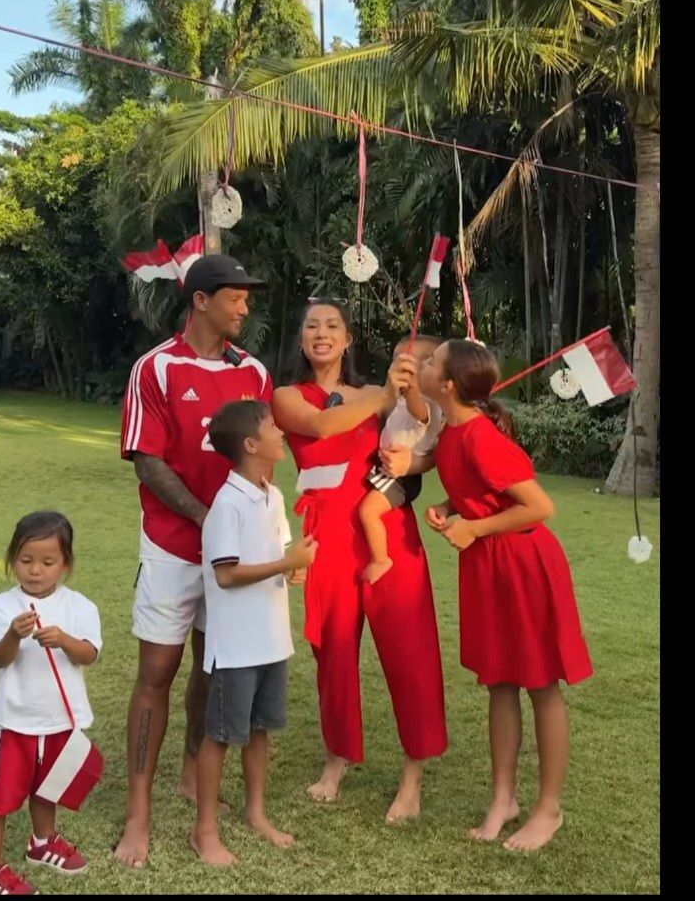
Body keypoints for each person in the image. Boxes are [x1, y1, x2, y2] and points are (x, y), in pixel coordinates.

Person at [114, 252, 270, 867]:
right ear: (201, 300)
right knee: (157, 672)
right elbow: (147, 459)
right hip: (174, 547)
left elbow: (266, 450)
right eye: (235, 295)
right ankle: (138, 815)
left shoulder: (253, 373)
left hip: (233, 556)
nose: (245, 305)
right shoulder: (154, 369)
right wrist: (208, 521)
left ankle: (188, 773)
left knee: (212, 670)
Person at [272, 299, 447, 823]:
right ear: (301, 338)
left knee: (409, 650)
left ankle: (412, 778)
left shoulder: (383, 395)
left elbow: (427, 441)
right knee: (334, 653)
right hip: (326, 532)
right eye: (311, 326)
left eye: (333, 326)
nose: (321, 334)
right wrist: (380, 395)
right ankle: (336, 758)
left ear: (348, 339)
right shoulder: (286, 395)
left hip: (386, 529)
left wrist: (410, 457)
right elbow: (323, 427)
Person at [420, 339, 592, 852]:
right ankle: (504, 800)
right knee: (498, 681)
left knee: (540, 684)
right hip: (490, 564)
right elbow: (485, 487)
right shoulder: (455, 431)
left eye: (432, 362)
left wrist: (475, 527)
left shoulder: (480, 437)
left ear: (448, 384)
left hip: (522, 564)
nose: (424, 364)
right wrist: (455, 506)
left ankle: (548, 808)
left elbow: (538, 506)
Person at [191, 400, 316, 866]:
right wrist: (288, 564)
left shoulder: (271, 495)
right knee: (220, 735)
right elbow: (226, 575)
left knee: (261, 730)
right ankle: (204, 831)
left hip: (270, 640)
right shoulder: (226, 505)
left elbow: (278, 551)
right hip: (236, 646)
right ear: (249, 445)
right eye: (270, 426)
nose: (279, 431)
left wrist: (290, 569)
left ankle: (255, 813)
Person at [0, 512, 101, 895]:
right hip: (15, 723)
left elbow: (89, 654)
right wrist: (14, 633)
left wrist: (64, 640)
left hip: (60, 720)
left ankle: (42, 843)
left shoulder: (80, 607)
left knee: (49, 788)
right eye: (26, 560)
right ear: (13, 559)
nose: (35, 571)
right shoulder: (0, 606)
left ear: (66, 564)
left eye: (48, 562)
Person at [357, 336, 444, 585]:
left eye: (410, 364)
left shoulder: (427, 405)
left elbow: (418, 411)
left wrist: (412, 386)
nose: (400, 367)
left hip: (401, 478)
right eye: (396, 360)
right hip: (388, 468)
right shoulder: (398, 399)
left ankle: (381, 559)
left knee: (368, 511)